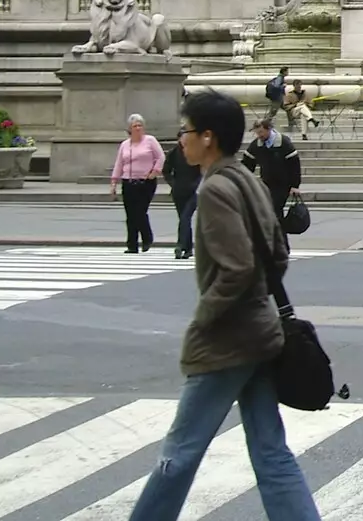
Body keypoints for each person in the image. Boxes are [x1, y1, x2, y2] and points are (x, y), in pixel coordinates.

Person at [125, 89, 321, 521]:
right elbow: (278, 254)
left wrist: (204, 320)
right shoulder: (247, 180)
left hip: (227, 342)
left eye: (187, 131)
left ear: (208, 137)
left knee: (179, 453)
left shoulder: (215, 189)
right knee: (271, 451)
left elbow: (235, 269)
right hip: (261, 333)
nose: (182, 140)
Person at [110, 113, 164, 254]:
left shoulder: (150, 141)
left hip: (146, 182)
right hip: (128, 182)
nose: (138, 128)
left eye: (140, 125)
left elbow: (161, 157)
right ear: (130, 129)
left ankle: (147, 238)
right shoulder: (125, 145)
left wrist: (155, 172)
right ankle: (132, 245)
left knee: (140, 212)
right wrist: (114, 182)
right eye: (135, 126)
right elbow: (119, 163)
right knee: (130, 214)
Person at [241, 118, 301, 219]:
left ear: (269, 129)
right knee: (271, 211)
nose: (259, 135)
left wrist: (295, 185)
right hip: (266, 183)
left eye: (261, 132)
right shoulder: (256, 145)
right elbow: (247, 163)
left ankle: (277, 232)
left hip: (283, 184)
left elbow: (294, 165)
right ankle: (278, 233)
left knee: (275, 208)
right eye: (257, 133)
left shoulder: (283, 143)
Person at [163, 134, 201, 260]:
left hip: (192, 192)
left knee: (185, 217)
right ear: (179, 139)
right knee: (184, 219)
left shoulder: (196, 151)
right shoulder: (173, 153)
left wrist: (196, 184)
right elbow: (166, 170)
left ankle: (179, 245)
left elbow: (202, 170)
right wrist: (173, 183)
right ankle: (188, 248)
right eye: (184, 138)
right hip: (178, 191)